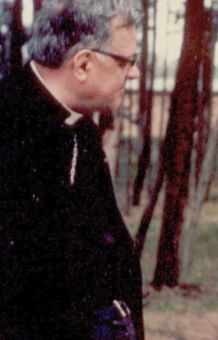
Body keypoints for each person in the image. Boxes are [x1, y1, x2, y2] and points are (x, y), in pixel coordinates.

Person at [0, 0, 144, 338]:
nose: (135, 73)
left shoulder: (82, 131)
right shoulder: (8, 130)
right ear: (82, 64)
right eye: (127, 62)